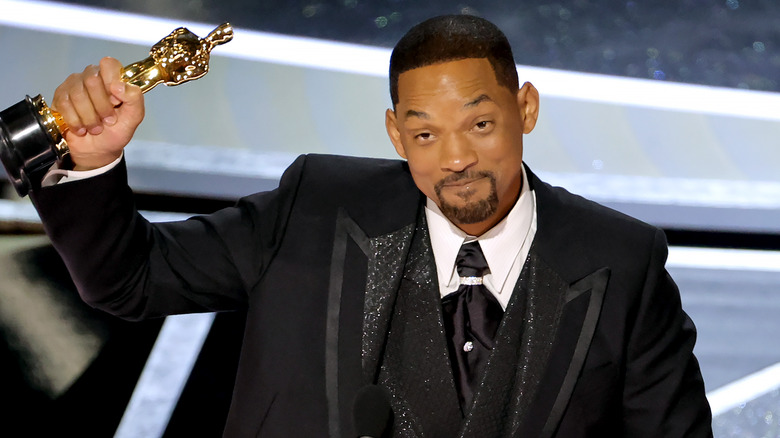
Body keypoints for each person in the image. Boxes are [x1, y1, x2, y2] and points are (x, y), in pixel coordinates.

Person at [30, 14, 712, 438]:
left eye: (480, 124)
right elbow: (130, 280)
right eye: (423, 132)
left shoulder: (623, 262)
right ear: (393, 132)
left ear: (525, 108)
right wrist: (91, 162)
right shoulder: (317, 209)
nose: (455, 159)